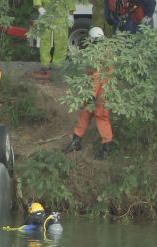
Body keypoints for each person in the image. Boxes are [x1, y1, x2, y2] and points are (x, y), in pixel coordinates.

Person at [62, 27, 113, 160]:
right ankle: (76, 141)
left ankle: (106, 148)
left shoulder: (98, 54)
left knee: (101, 116)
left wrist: (90, 95)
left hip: (102, 91)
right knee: (85, 113)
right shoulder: (105, 50)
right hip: (98, 89)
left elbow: (96, 77)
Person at [31, 0, 76, 80]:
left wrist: (71, 13)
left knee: (61, 41)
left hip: (61, 12)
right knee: (45, 40)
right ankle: (45, 65)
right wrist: (39, 7)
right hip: (46, 11)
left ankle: (58, 66)